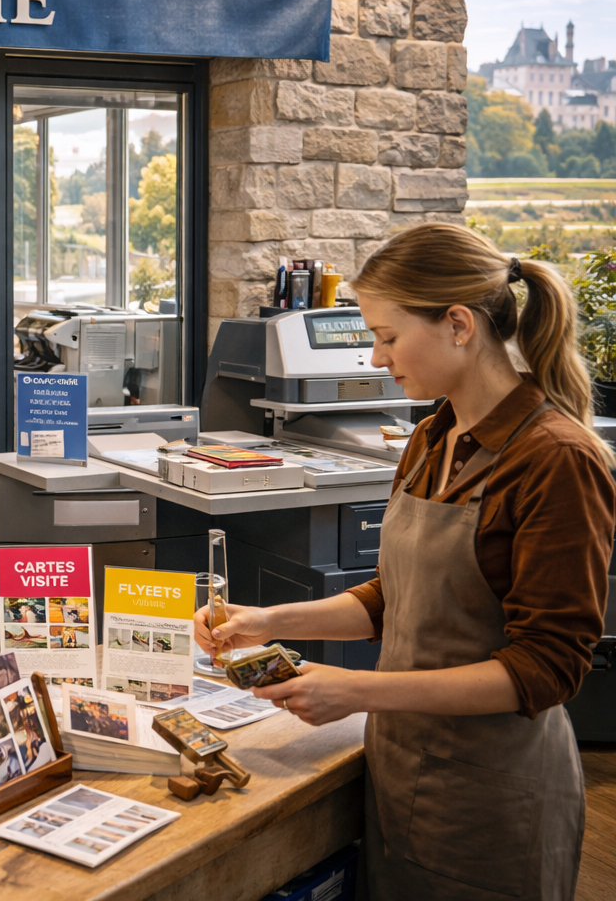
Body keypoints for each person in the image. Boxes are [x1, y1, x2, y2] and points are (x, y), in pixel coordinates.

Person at [194, 223, 613, 901]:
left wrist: (356, 692)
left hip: (494, 799)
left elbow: (549, 668)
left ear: (457, 325)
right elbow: (397, 598)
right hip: (400, 772)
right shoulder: (432, 435)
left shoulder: (557, 459)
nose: (373, 358)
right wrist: (265, 618)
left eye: (387, 336)